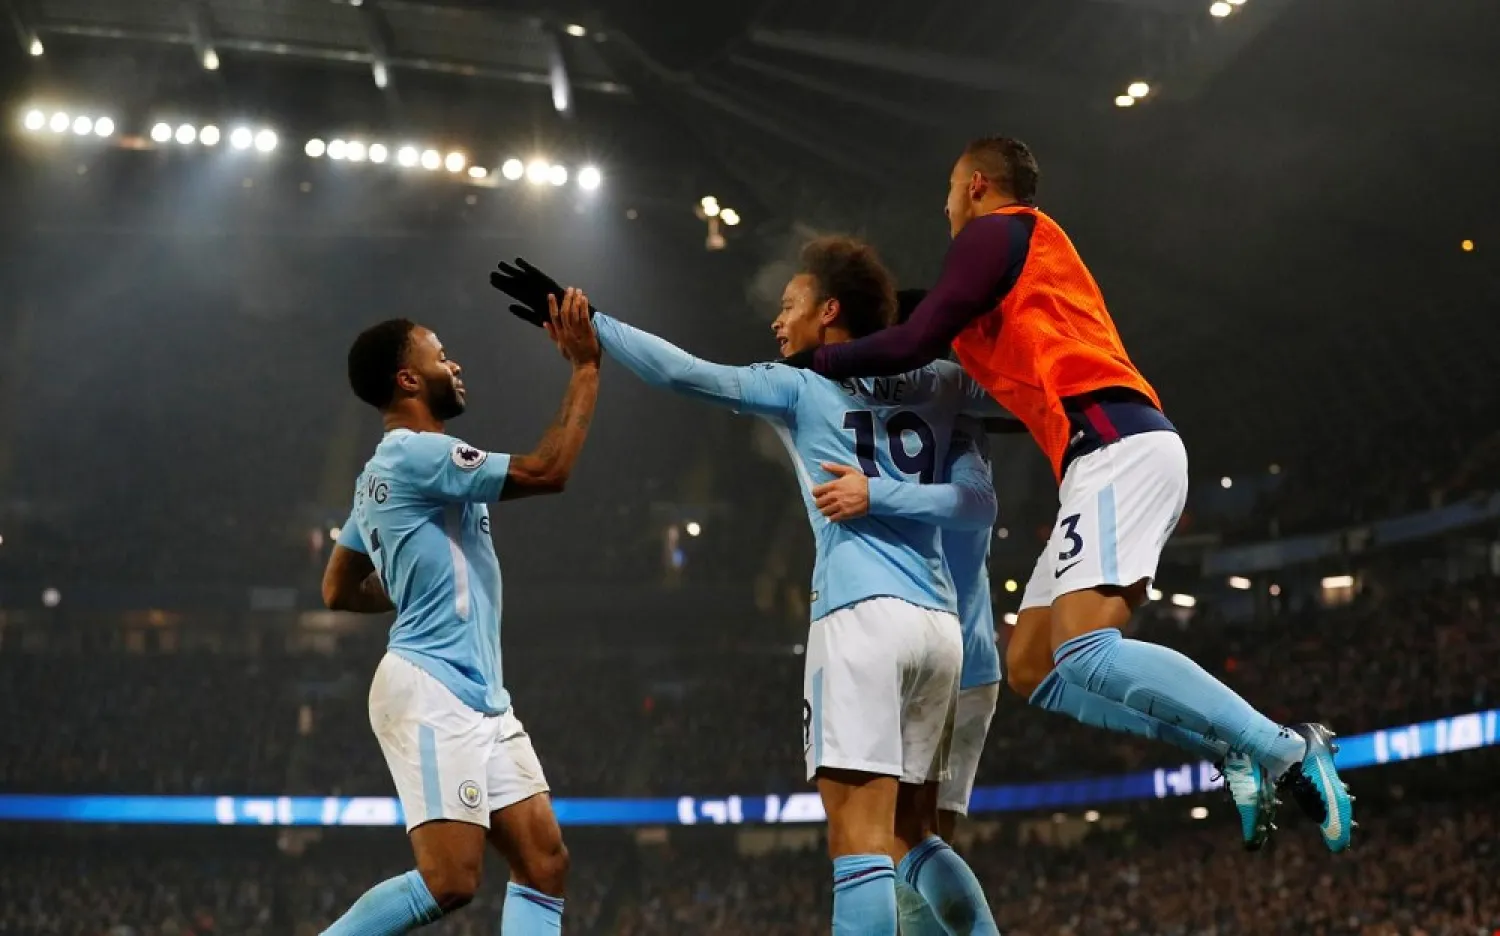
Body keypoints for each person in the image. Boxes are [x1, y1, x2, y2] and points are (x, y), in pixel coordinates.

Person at [778, 135, 1355, 854]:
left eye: (953, 190)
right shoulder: (1012, 296)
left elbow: (917, 336)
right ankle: (1226, 744)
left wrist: (820, 360)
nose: (946, 205)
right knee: (1034, 668)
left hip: (1120, 446)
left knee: (1085, 651)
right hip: (1097, 460)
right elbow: (954, 365)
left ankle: (1285, 748)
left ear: (980, 186)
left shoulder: (999, 231)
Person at [490, 242, 1001, 936]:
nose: (776, 323)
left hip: (862, 620)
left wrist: (590, 322)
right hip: (940, 628)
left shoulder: (800, 384)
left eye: (788, 306)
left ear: (829, 312)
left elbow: (684, 373)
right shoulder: (938, 381)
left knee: (858, 844)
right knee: (914, 834)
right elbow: (1002, 424)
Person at [318, 290, 601, 935]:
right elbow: (550, 469)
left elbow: (336, 588)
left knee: (544, 861)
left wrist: (414, 583)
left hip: (480, 696)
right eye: (442, 356)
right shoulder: (421, 454)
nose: (457, 366)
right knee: (450, 880)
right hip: (431, 685)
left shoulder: (377, 472)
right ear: (409, 378)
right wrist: (585, 368)